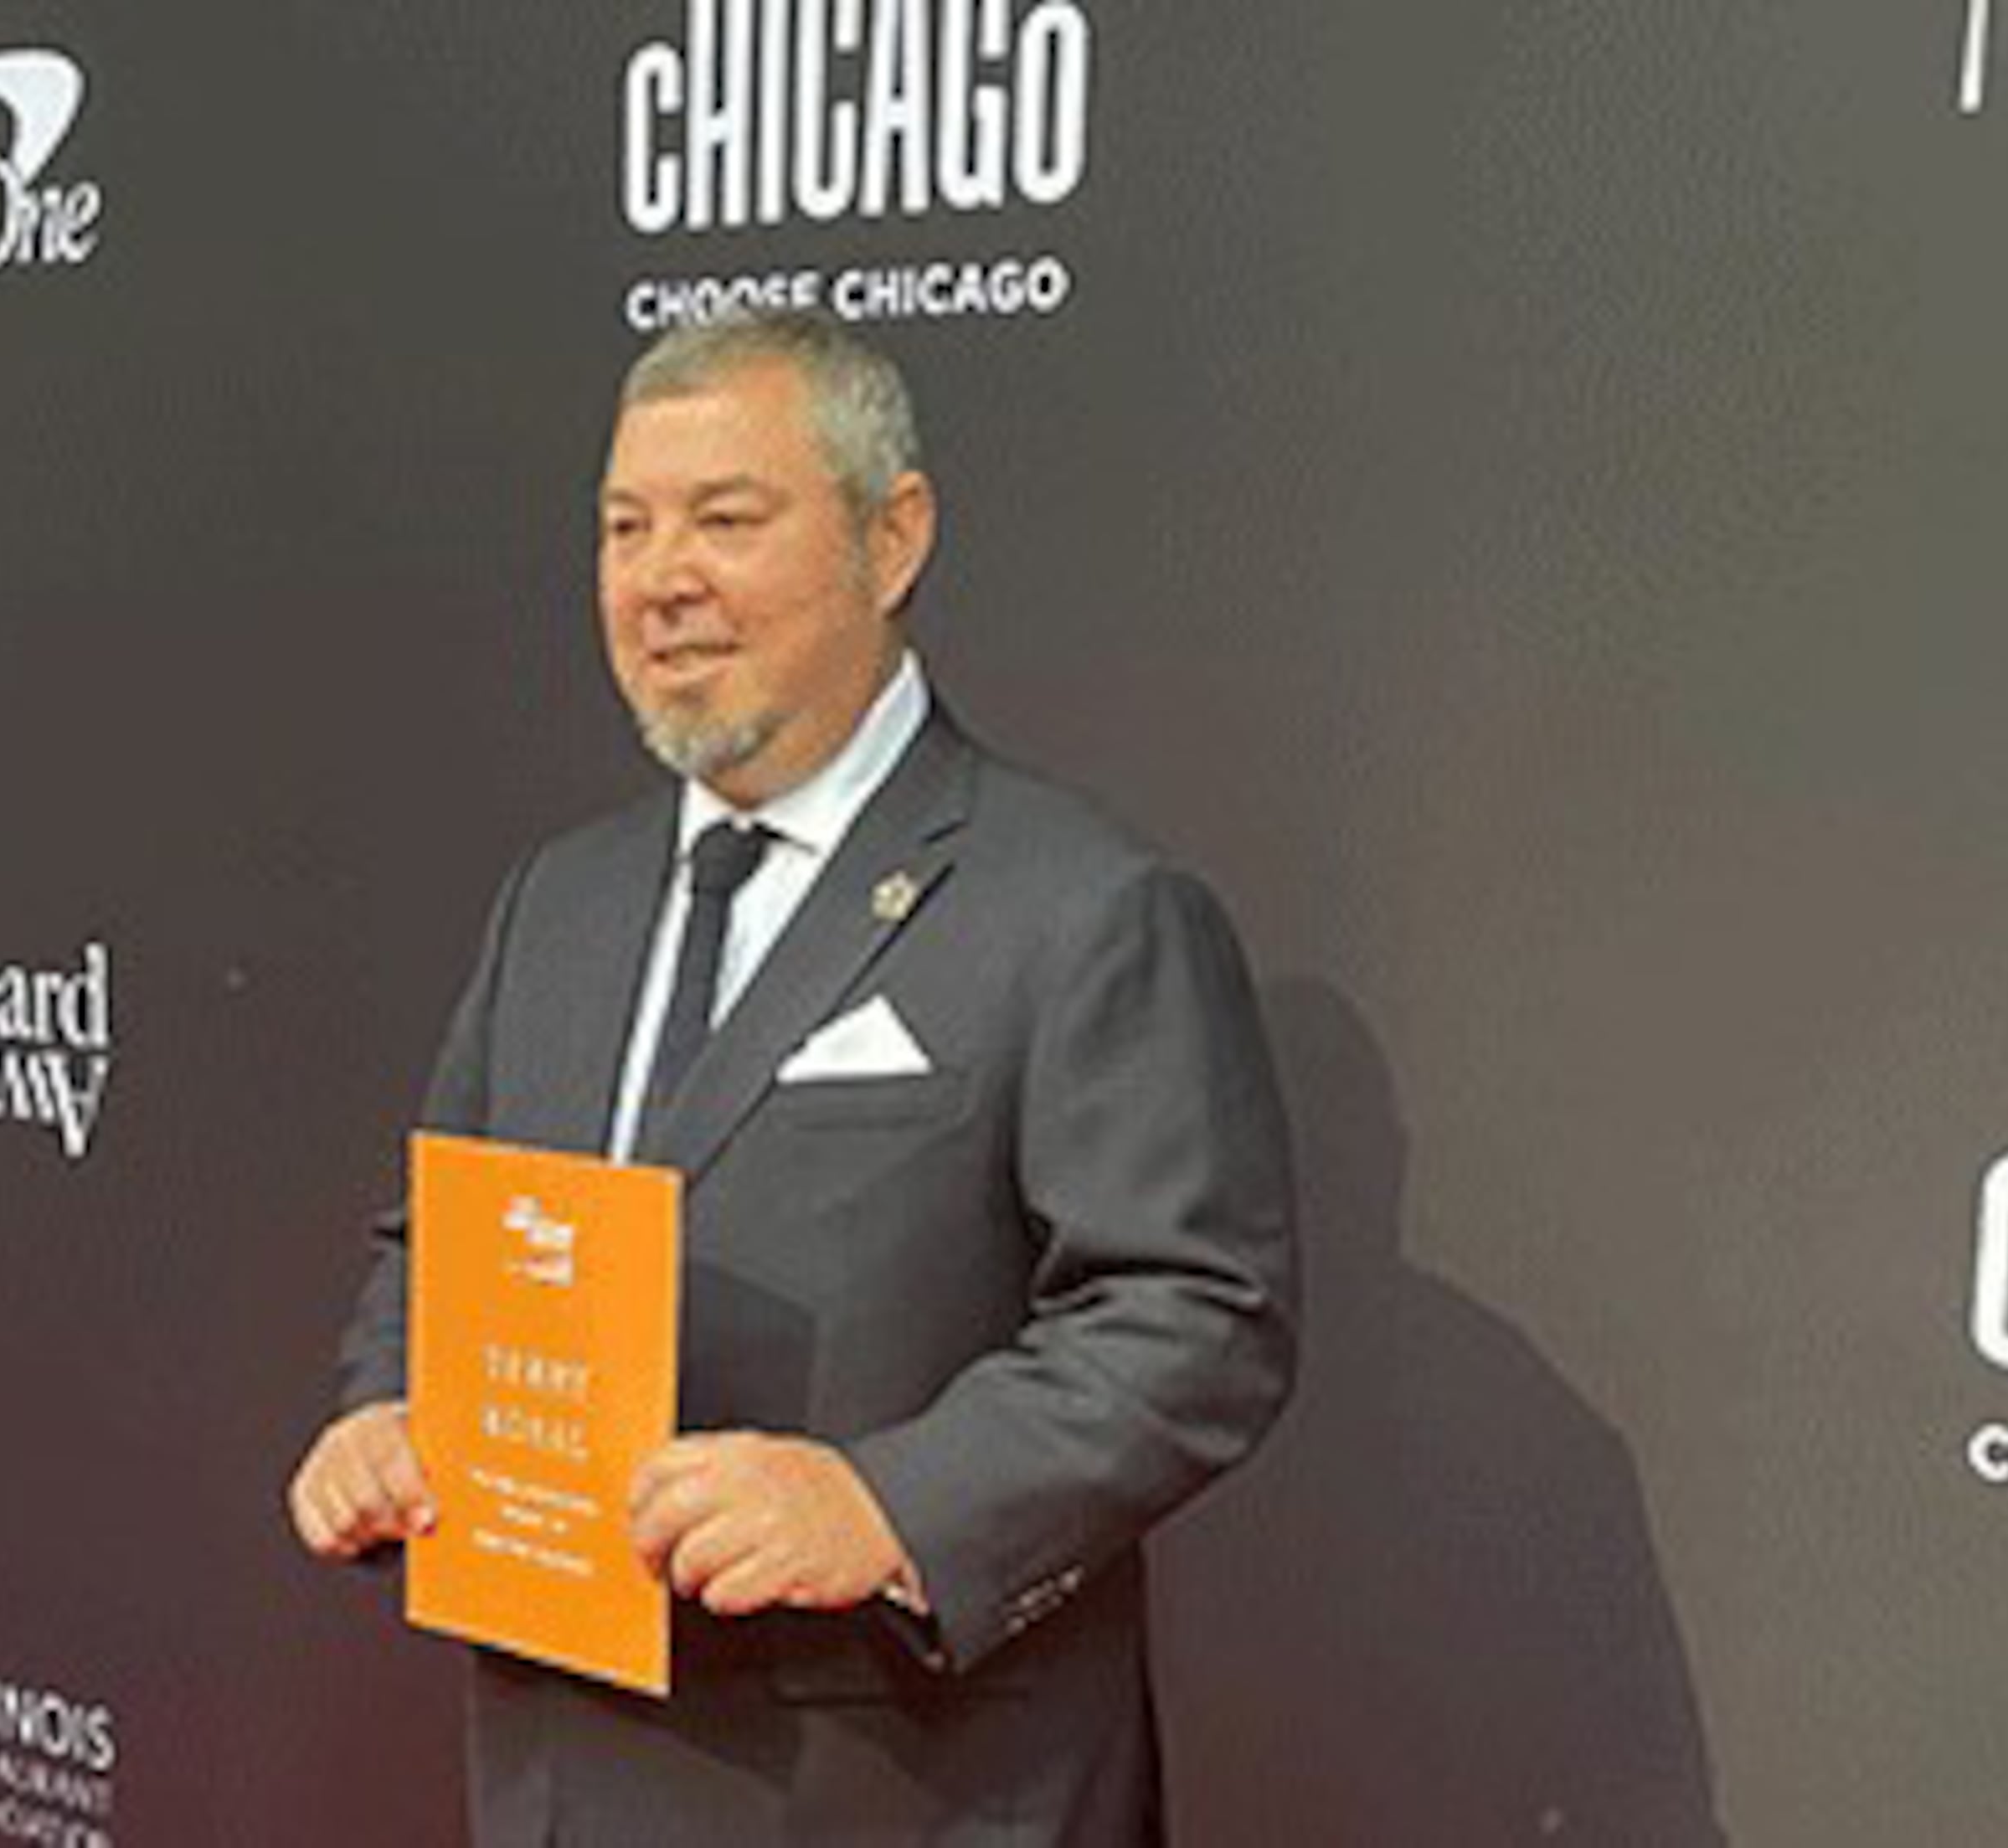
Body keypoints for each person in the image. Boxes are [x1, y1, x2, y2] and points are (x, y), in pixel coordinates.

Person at [286, 310, 1300, 1845]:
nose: (660, 577)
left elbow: (1194, 1316)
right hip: (564, 1778)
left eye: (727, 519)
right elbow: (442, 1235)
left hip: (907, 1794)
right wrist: (388, 1408)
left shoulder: (1080, 906)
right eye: (625, 528)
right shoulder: (557, 903)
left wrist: (888, 1505)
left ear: (893, 540)